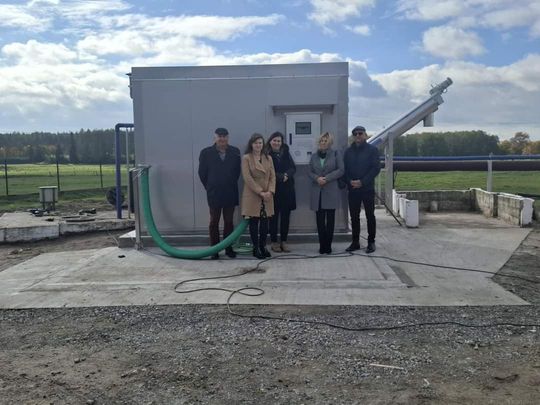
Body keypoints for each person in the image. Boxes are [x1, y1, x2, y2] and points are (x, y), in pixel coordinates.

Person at [198, 127, 241, 260]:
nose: (222, 139)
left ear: (228, 138)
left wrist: (229, 182)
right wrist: (210, 186)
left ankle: (228, 248)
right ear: (215, 138)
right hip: (214, 193)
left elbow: (237, 172)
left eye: (224, 136)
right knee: (214, 221)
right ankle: (214, 249)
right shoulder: (206, 153)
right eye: (219, 136)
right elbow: (202, 173)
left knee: (229, 221)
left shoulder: (235, 152)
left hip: (230, 192)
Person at [343, 125, 381, 254]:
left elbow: (375, 168)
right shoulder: (348, 152)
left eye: (360, 133)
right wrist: (350, 181)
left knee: (370, 215)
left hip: (367, 189)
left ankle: (371, 242)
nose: (358, 136)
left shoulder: (372, 150)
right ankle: (355, 242)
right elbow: (344, 170)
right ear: (353, 136)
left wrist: (362, 182)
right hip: (353, 189)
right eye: (355, 134)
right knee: (354, 217)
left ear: (365, 135)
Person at [308, 132, 344, 254]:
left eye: (325, 141)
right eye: (321, 141)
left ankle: (328, 246)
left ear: (330, 143)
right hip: (317, 191)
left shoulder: (336, 154)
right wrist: (317, 178)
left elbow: (341, 170)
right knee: (319, 220)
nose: (323, 143)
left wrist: (327, 178)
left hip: (331, 190)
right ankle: (322, 245)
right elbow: (309, 171)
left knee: (330, 220)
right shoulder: (314, 156)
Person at [241, 133, 276, 259]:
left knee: (265, 223)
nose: (258, 145)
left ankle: (263, 246)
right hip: (253, 194)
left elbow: (273, 176)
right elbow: (247, 178)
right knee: (254, 222)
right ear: (251, 144)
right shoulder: (246, 158)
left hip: (267, 195)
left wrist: (270, 191)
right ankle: (255, 248)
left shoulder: (268, 158)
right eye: (256, 143)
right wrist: (260, 192)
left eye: (260, 143)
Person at [265, 132, 296, 253]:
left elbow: (293, 167)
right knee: (273, 217)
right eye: (274, 140)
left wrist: (287, 175)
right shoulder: (266, 154)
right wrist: (280, 176)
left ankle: (284, 241)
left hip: (287, 190)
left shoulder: (286, 152)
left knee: (285, 217)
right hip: (274, 190)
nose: (277, 143)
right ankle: (274, 242)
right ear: (270, 141)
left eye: (279, 141)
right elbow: (267, 171)